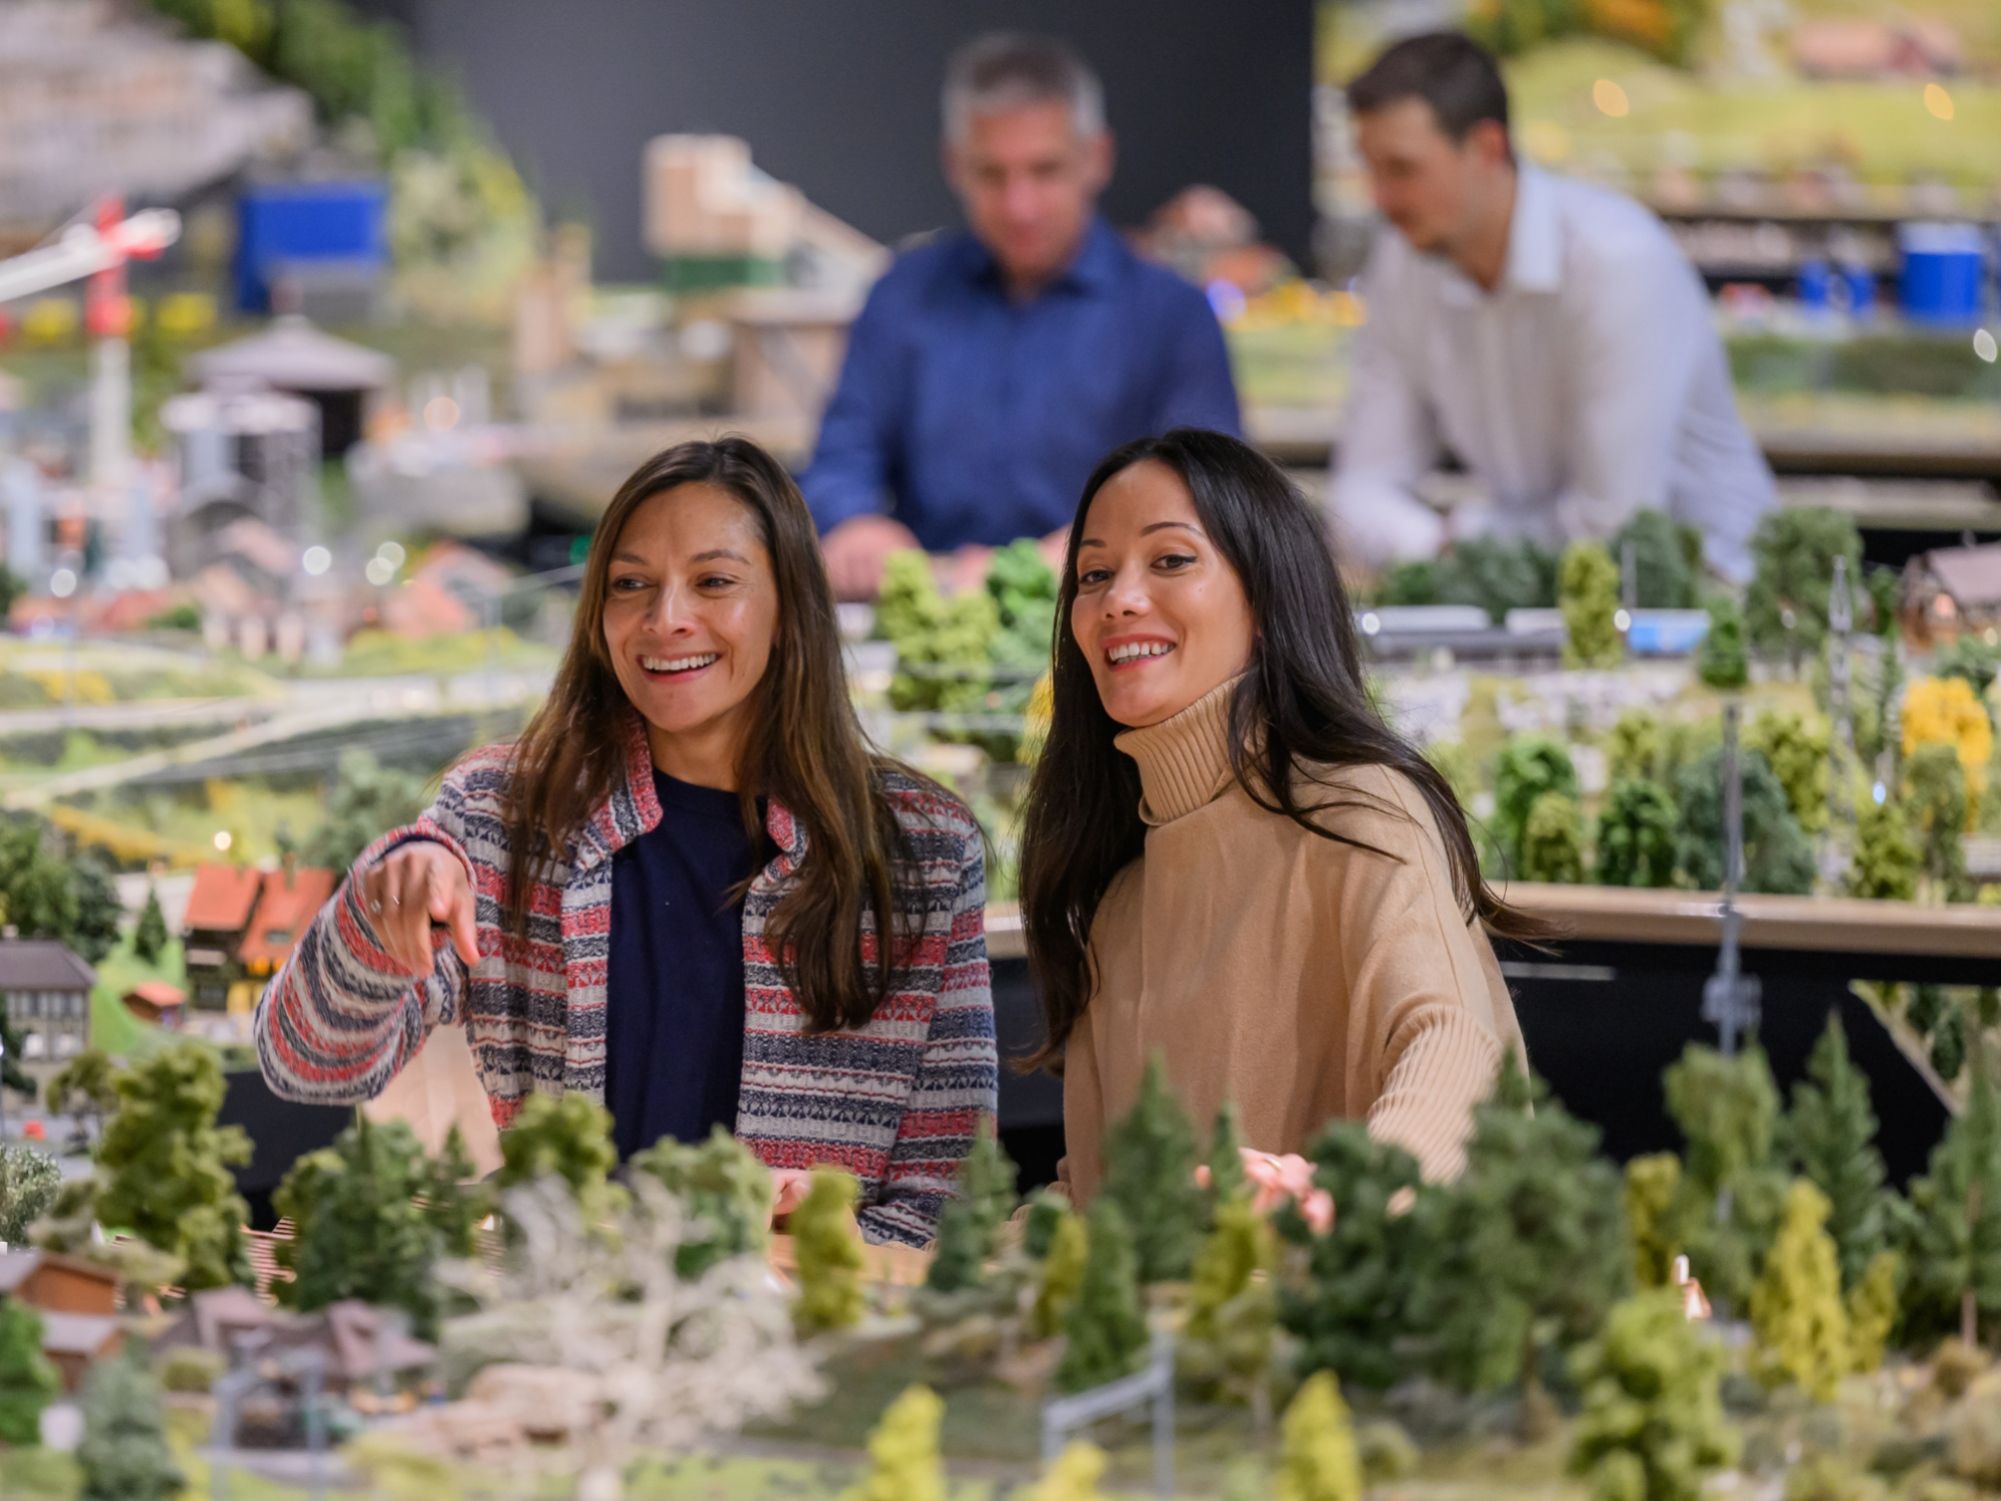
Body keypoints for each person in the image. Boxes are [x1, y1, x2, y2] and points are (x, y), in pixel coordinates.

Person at [255, 438, 997, 1246]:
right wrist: (374, 909)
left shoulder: (921, 852)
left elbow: (948, 1202)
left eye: (714, 581)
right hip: (569, 1328)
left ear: (790, 608)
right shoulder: (501, 817)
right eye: (631, 585)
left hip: (802, 1338)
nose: (665, 618)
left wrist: (824, 1242)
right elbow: (306, 1062)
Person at [1019, 428, 1540, 1203]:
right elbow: (1097, 1205)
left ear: (1265, 598)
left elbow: (1453, 1045)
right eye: (1093, 574)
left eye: (1170, 560)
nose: (1118, 599)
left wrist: (1345, 1197)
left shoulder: (1358, 807)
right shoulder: (1116, 907)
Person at [803, 31, 1242, 599]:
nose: (1019, 205)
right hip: (935, 608)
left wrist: (1102, 542)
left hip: (1112, 603)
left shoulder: (1173, 315)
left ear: (1097, 158)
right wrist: (855, 522)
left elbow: (1214, 492)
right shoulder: (901, 295)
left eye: (1045, 171)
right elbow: (840, 459)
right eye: (991, 174)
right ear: (954, 164)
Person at [1330, 31, 1774, 583]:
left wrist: (1461, 542)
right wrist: (1439, 546)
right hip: (1532, 603)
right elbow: (1361, 490)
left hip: (1715, 597)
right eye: (1372, 170)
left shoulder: (1616, 261)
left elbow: (1614, 523)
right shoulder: (1401, 263)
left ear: (1488, 148)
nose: (1381, 199)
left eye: (1402, 170)